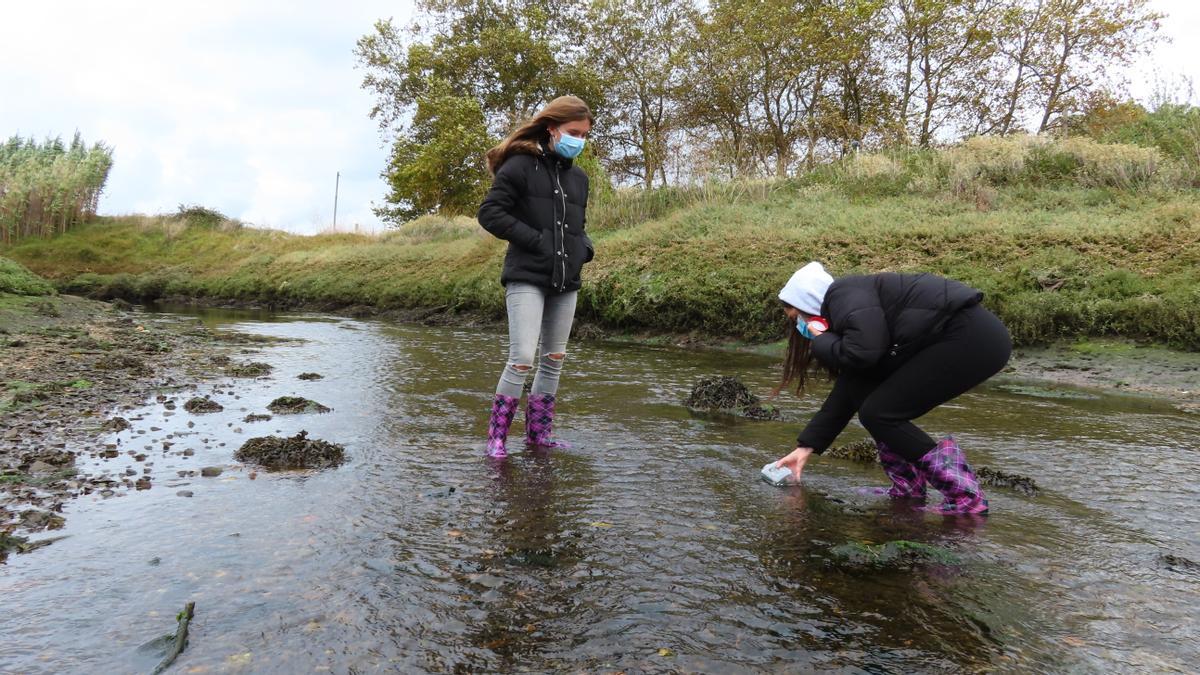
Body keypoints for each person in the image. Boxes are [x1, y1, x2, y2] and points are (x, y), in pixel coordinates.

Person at [771, 262, 1012, 514]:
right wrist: (805, 447)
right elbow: (850, 389)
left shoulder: (844, 295)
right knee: (874, 404)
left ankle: (965, 496)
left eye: (798, 317)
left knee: (879, 413)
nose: (800, 325)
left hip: (971, 339)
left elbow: (863, 354)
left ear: (810, 304)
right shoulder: (851, 312)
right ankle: (908, 489)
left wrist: (821, 341)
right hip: (963, 338)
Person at [476, 95, 596, 459]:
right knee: (522, 357)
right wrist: (537, 241)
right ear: (551, 129)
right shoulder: (519, 167)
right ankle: (497, 438)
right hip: (526, 276)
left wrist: (583, 249)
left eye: (585, 134)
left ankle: (538, 435)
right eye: (574, 132)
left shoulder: (579, 179)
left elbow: (579, 227)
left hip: (565, 281)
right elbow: (490, 213)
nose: (580, 140)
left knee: (554, 358)